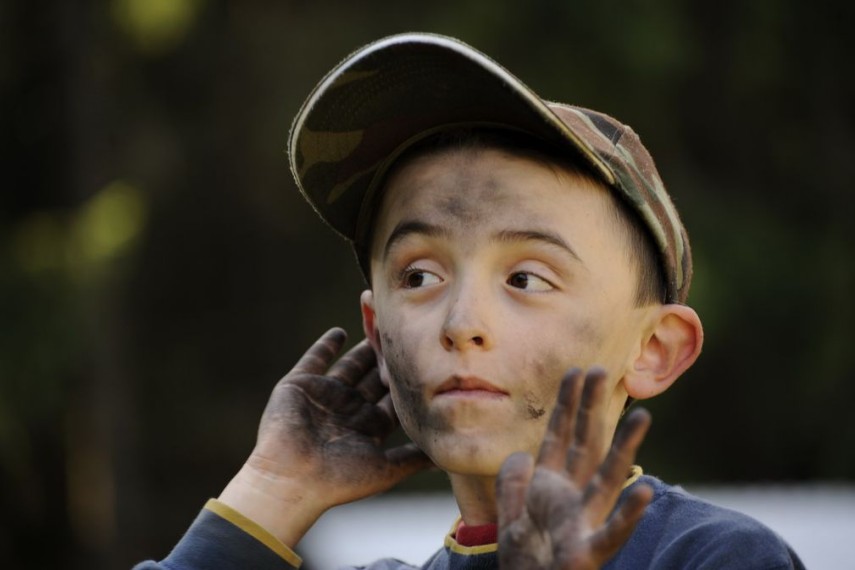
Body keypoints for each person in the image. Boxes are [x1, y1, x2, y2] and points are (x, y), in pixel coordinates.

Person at [135, 33, 804, 569]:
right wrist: (275, 490)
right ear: (377, 333)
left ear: (653, 349)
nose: (461, 324)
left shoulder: (714, 557)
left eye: (526, 279)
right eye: (419, 276)